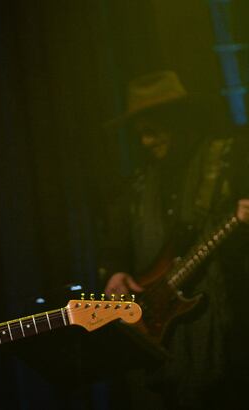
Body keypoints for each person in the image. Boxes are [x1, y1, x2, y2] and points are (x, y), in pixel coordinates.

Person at [98, 70, 249, 409]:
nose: (146, 142)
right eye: (140, 134)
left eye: (152, 130)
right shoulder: (136, 186)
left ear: (178, 120)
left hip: (230, 334)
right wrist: (114, 273)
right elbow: (114, 247)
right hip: (163, 346)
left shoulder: (230, 158)